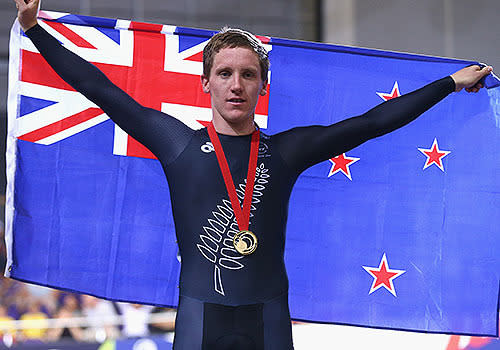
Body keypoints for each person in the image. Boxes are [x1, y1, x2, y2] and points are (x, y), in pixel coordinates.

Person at [13, 0, 493, 349]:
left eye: (247, 74)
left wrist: (448, 84)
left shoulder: (287, 151)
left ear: (262, 85)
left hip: (267, 319)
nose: (236, 85)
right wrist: (34, 29)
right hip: (201, 319)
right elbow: (100, 89)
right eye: (224, 74)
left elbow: (371, 123)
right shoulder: (178, 143)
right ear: (206, 83)